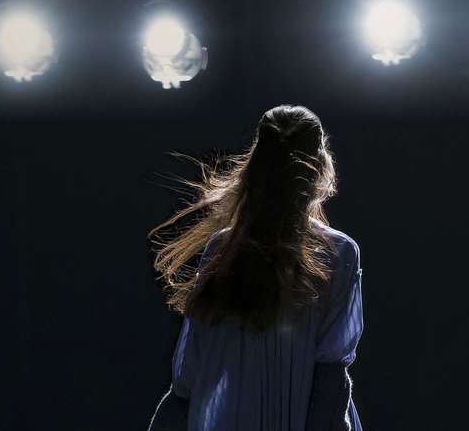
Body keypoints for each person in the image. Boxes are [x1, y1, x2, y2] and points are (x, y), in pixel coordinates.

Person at [148, 105, 364, 431]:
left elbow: (187, 378)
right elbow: (331, 372)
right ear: (320, 166)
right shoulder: (339, 252)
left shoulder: (223, 249)